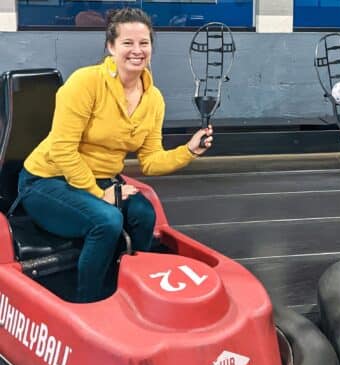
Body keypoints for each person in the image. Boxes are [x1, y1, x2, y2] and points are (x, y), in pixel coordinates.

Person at [17, 8, 213, 303]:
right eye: (128, 43)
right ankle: (90, 303)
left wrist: (188, 151)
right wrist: (99, 193)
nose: (137, 51)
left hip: (102, 179)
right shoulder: (86, 83)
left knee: (145, 215)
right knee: (106, 221)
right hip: (47, 180)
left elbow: (150, 160)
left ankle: (134, 292)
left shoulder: (153, 99)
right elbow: (62, 148)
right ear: (111, 46)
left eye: (144, 43)